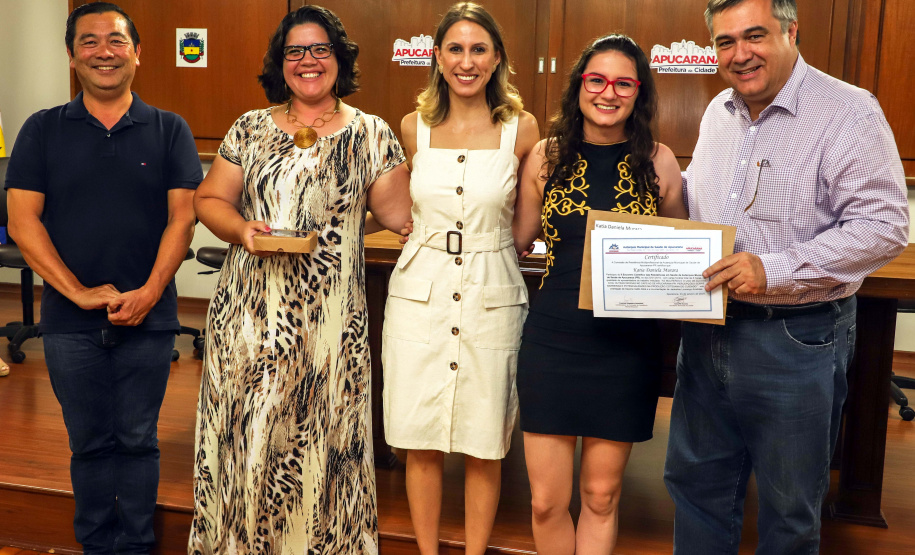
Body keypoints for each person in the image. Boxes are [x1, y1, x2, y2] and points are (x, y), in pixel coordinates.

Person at [663, 0, 910, 553]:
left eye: (755, 36)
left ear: (791, 31)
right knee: (696, 485)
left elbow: (884, 225)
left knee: (789, 505)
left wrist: (770, 269)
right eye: (725, 42)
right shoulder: (717, 113)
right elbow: (712, 205)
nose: (740, 54)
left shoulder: (848, 111)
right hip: (707, 331)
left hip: (795, 338)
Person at [188, 5, 411, 553]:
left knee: (320, 445)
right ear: (280, 63)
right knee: (250, 439)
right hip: (249, 316)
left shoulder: (371, 134)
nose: (308, 61)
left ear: (339, 59)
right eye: (295, 52)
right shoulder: (250, 127)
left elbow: (400, 215)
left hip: (330, 326)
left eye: (320, 50)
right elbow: (208, 199)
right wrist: (241, 228)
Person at [4, 3, 202, 552]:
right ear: (72, 57)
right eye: (88, 42)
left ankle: (135, 546)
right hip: (69, 323)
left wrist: (151, 291)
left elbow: (182, 218)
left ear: (137, 52)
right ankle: (96, 545)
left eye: (115, 40)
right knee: (88, 443)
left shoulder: (170, 129)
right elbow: (22, 221)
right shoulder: (42, 129)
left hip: (151, 316)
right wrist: (77, 292)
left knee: (138, 442)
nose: (103, 51)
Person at [512, 34, 687, 554]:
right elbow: (516, 241)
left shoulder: (660, 163)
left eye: (623, 83)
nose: (608, 92)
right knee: (545, 500)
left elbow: (679, 260)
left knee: (602, 495)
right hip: (551, 342)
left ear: (639, 93)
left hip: (624, 349)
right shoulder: (546, 156)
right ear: (579, 87)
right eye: (597, 79)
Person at [380, 2, 539, 553]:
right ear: (438, 57)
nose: (466, 62)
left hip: (492, 290)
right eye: (455, 49)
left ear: (497, 59)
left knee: (483, 438)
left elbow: (522, 230)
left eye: (478, 50)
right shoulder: (412, 127)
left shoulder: (522, 129)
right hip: (418, 293)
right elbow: (402, 207)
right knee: (419, 438)